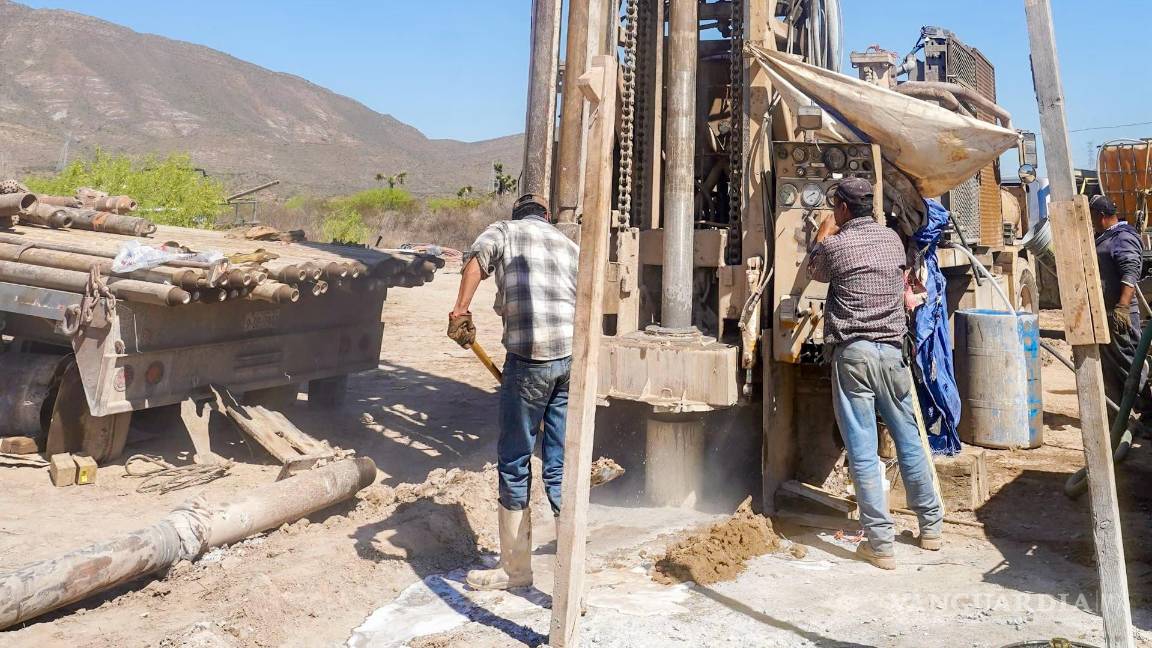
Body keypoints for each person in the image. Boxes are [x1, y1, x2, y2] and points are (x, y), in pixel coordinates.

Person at [807, 177, 944, 570]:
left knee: (863, 450)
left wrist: (822, 233)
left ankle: (880, 544)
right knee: (909, 440)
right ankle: (931, 528)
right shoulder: (891, 241)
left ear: (844, 209)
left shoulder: (836, 245)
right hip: (893, 354)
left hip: (856, 355)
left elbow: (813, 271)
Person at [446, 193, 578, 590]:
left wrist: (460, 311)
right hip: (570, 362)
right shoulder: (569, 245)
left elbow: (476, 261)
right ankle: (571, 574)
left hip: (530, 360)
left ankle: (516, 572)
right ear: (547, 217)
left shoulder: (504, 231)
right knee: (559, 465)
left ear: (517, 216)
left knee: (516, 460)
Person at [1090, 194, 1152, 425]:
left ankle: (1148, 414)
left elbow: (1130, 272)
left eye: (1093, 217)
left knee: (1129, 364)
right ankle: (1120, 415)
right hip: (1107, 313)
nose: (1092, 221)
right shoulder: (1105, 236)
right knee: (1114, 367)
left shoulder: (1122, 238)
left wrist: (1122, 307)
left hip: (1120, 314)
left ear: (1102, 216)